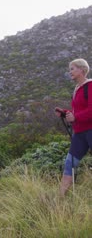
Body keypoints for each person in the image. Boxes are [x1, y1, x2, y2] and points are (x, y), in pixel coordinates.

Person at [55, 58, 92, 196]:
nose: (70, 71)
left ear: (82, 70)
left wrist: (76, 117)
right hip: (80, 134)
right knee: (68, 166)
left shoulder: (90, 86)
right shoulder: (77, 89)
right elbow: (78, 112)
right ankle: (59, 200)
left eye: (72, 68)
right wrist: (65, 114)